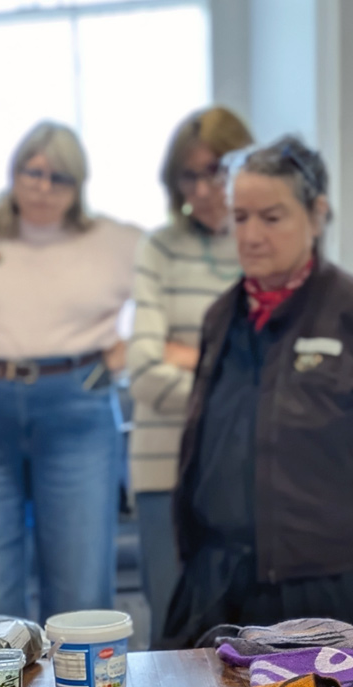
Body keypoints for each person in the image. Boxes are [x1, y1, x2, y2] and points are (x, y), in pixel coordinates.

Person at [0, 121, 140, 623]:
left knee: (81, 585)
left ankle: (82, 680)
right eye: (32, 172)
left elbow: (168, 306)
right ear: (14, 172)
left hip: (78, 407)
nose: (43, 187)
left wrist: (121, 355)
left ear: (78, 185)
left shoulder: (118, 242)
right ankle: (2, 679)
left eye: (59, 178)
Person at [167, 136, 352, 646]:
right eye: (240, 217)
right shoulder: (220, 317)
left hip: (321, 589)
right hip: (216, 583)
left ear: (316, 215)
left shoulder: (345, 313)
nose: (250, 236)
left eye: (271, 218)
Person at [128, 107, 252, 642]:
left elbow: (277, 370)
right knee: (174, 632)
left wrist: (189, 353)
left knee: (248, 635)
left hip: (247, 468)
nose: (203, 190)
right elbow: (143, 370)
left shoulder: (263, 242)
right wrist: (231, 383)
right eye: (189, 176)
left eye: (215, 171)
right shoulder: (160, 247)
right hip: (165, 468)